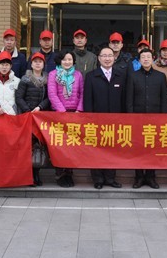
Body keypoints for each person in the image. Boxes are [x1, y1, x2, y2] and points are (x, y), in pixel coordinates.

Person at [83, 47, 128, 189]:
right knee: (96, 149)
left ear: (114, 58)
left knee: (112, 149)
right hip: (96, 121)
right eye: (104, 56)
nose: (107, 58)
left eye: (110, 55)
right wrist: (89, 119)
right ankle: (98, 179)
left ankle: (110, 178)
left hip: (115, 121)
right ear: (99, 58)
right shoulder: (91, 76)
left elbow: (124, 99)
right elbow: (87, 100)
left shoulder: (121, 75)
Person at [126, 48, 167, 189]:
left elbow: (164, 99)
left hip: (155, 119)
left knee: (152, 149)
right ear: (139, 60)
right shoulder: (133, 76)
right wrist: (130, 117)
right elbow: (129, 99)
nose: (145, 59)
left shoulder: (160, 76)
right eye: (143, 57)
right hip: (137, 119)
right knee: (138, 149)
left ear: (153, 59)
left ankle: (151, 177)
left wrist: (163, 118)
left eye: (148, 57)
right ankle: (139, 177)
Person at [48, 51, 84, 187]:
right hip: (59, 114)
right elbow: (52, 94)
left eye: (69, 59)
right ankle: (60, 174)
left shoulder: (78, 75)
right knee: (59, 145)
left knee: (72, 145)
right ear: (59, 61)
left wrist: (79, 110)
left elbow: (82, 93)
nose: (67, 62)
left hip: (75, 114)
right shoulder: (53, 74)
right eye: (64, 59)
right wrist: (62, 112)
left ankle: (69, 173)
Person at [16, 52, 51, 186]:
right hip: (27, 117)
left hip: (40, 117)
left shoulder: (47, 80)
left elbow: (49, 98)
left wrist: (40, 107)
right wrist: (27, 110)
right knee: (27, 146)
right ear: (31, 64)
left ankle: (37, 174)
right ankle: (28, 175)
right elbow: (19, 97)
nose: (37, 64)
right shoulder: (25, 79)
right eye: (35, 61)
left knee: (38, 146)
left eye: (40, 62)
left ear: (43, 64)